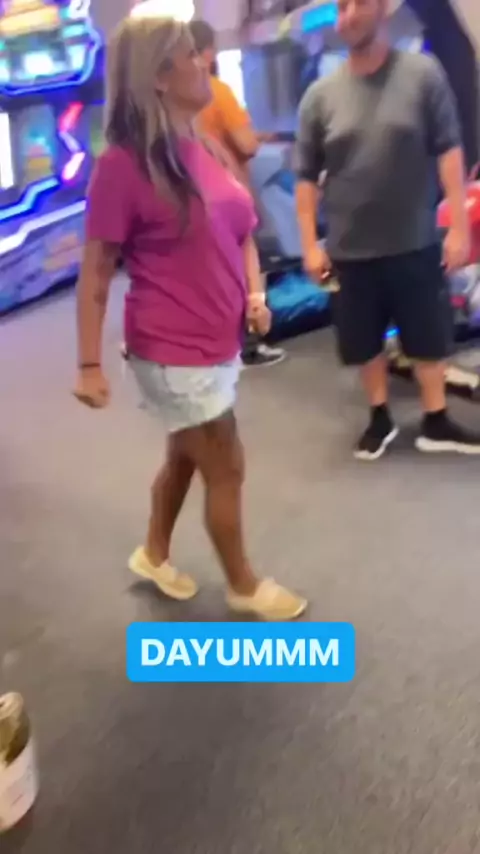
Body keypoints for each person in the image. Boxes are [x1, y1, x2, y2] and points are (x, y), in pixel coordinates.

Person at [74, 15, 306, 621]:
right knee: (225, 463)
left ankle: (153, 553)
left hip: (217, 337)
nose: (204, 62)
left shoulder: (199, 146)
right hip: (173, 347)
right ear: (158, 76)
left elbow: (241, 230)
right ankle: (244, 585)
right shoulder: (122, 167)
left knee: (185, 455)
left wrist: (255, 295)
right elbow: (95, 274)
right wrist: (89, 365)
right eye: (189, 55)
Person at [296, 0, 480, 460]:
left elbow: (449, 150)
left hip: (414, 238)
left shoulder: (422, 75)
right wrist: (309, 245)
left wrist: (459, 226)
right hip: (350, 247)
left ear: (382, 9)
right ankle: (379, 416)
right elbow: (305, 177)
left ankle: (436, 420)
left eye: (358, 4)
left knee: (429, 335)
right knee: (363, 341)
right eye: (341, 7)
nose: (347, 16)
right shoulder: (320, 96)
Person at [189, 19, 286, 369]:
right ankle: (252, 342)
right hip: (230, 196)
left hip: (195, 200)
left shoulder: (177, 99)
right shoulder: (218, 91)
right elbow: (245, 145)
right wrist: (256, 140)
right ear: (208, 52)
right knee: (248, 265)